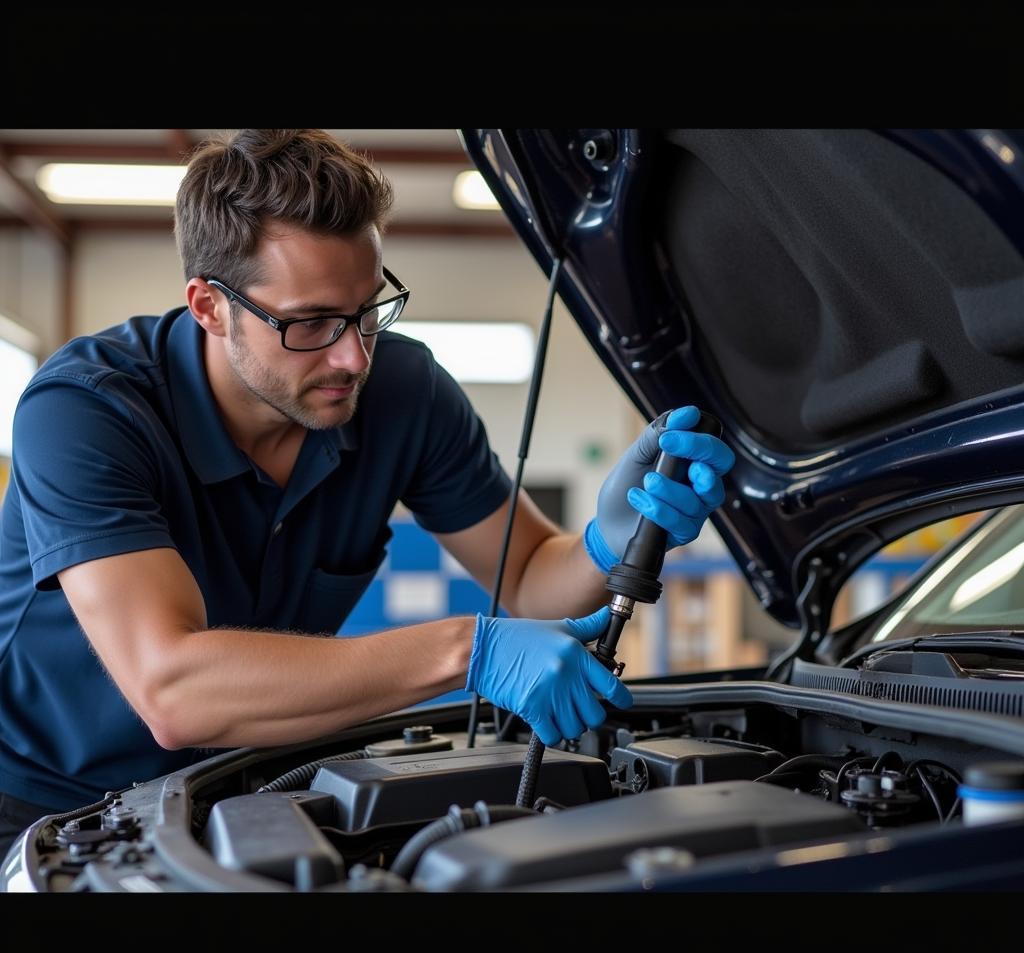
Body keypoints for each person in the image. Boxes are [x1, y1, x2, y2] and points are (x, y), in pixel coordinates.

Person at [0, 129, 734, 857]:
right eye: (311, 322)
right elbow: (172, 689)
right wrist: (468, 653)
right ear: (208, 307)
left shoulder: (406, 394)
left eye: (367, 310)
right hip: (40, 807)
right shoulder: (86, 411)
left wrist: (609, 539)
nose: (352, 356)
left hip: (236, 788)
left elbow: (531, 573)